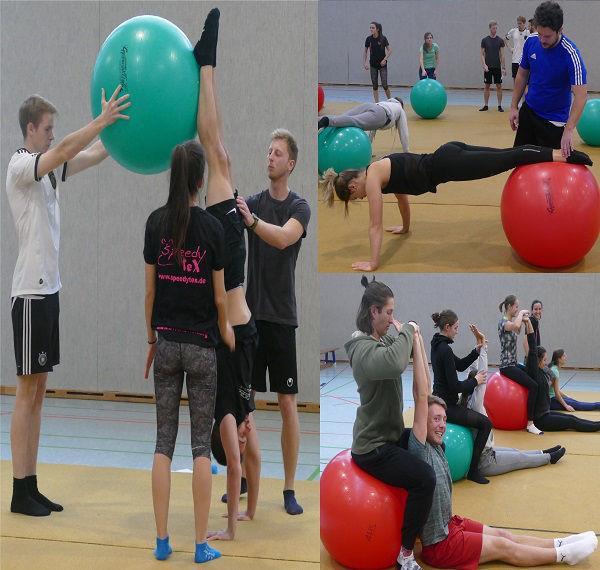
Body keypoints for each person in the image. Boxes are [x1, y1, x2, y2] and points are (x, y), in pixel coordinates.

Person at [7, 87, 130, 517]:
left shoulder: (51, 171)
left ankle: (32, 483)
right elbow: (62, 150)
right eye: (47, 129)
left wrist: (122, 135)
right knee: (26, 393)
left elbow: (91, 154)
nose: (51, 135)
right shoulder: (22, 165)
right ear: (30, 130)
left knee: (40, 392)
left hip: (50, 289)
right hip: (29, 293)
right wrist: (100, 118)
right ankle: (18, 489)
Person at [143, 11, 236, 564]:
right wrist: (224, 332)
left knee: (162, 444)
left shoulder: (156, 223)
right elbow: (221, 298)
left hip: (168, 341)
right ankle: (200, 545)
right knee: (201, 449)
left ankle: (161, 542)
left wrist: (151, 339)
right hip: (203, 345)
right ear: (200, 182)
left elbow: (150, 294)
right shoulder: (214, 227)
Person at [407, 364, 598, 568]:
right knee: (502, 546)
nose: (443, 425)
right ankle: (562, 555)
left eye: (444, 419)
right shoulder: (421, 449)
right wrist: (415, 337)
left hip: (451, 524)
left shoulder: (438, 446)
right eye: (436, 419)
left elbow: (426, 398)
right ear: (422, 421)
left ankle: (557, 543)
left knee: (502, 534)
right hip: (441, 545)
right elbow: (421, 395)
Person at [190, 9, 261, 541]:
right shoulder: (235, 420)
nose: (237, 441)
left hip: (239, 295)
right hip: (236, 289)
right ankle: (205, 62)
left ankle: (206, 63)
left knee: (219, 155)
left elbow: (243, 470)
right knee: (217, 154)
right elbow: (241, 469)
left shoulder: (237, 414)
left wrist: (242, 517)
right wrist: (239, 521)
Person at [319, 142, 591, 272]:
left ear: (353, 187)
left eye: (356, 198)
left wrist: (374, 262)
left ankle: (563, 156)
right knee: (505, 155)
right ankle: (557, 154)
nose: (362, 199)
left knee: (507, 158)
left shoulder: (374, 177)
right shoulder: (379, 169)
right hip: (446, 154)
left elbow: (374, 225)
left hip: (446, 164)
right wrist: (405, 227)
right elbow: (402, 196)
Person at [236, 129, 310, 515]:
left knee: (286, 402)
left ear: (291, 163)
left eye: (277, 153)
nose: (270, 157)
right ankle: (243, 479)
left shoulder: (299, 208)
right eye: (268, 152)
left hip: (282, 318)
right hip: (250, 319)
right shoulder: (251, 203)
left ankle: (289, 488)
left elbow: (282, 239)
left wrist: (251, 224)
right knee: (244, 403)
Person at [345, 277, 434, 570]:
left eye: (394, 313)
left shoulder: (379, 341)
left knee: (433, 444)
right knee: (424, 478)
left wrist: (413, 339)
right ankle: (405, 554)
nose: (392, 318)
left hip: (391, 435)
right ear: (374, 312)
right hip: (373, 447)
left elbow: (405, 357)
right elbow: (395, 363)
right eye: (389, 313)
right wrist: (407, 328)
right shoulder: (362, 350)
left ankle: (420, 529)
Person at [465, 337, 567, 477]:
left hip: (489, 451)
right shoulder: (476, 404)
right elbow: (481, 374)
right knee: (520, 459)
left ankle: (545, 452)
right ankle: (550, 458)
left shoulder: (466, 400)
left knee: (515, 451)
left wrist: (479, 347)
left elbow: (472, 371)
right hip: (486, 462)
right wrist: (483, 351)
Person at [509, 1, 587, 157]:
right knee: (520, 162)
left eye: (547, 36)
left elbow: (581, 95)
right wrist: (513, 106)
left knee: (550, 175)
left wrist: (569, 129)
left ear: (560, 30)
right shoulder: (531, 41)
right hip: (529, 113)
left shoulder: (571, 54)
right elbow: (522, 74)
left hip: (554, 123)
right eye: (540, 34)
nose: (542, 40)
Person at [430, 310, 491, 484]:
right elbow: (455, 386)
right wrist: (476, 381)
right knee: (486, 424)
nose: (457, 331)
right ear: (447, 327)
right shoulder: (444, 349)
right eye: (456, 327)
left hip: (442, 399)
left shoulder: (438, 345)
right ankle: (473, 470)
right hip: (446, 405)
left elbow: (460, 365)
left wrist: (476, 350)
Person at [524, 318, 600, 432]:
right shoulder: (534, 372)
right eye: (544, 360)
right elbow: (531, 343)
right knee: (571, 422)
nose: (546, 362)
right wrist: (528, 323)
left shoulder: (543, 371)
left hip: (546, 413)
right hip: (541, 420)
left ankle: (597, 424)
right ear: (537, 360)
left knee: (572, 417)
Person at [498, 295, 543, 435]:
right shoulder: (503, 322)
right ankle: (530, 423)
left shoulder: (511, 322)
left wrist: (527, 320)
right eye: (516, 307)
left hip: (514, 364)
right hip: (506, 366)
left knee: (534, 373)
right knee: (533, 386)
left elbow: (518, 329)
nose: (517, 309)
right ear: (510, 307)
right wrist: (522, 313)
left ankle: (538, 412)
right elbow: (516, 326)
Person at [318, 97, 409, 151]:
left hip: (371, 105)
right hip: (381, 115)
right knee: (354, 121)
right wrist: (406, 152)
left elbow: (373, 128)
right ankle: (327, 121)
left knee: (344, 116)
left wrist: (368, 146)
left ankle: (319, 120)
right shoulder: (400, 109)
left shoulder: (386, 102)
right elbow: (404, 132)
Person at [480, 21, 506, 112]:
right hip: (488, 67)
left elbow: (502, 55)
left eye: (496, 28)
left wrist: (503, 67)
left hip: (497, 67)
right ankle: (486, 105)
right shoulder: (484, 40)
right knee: (487, 85)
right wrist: (484, 65)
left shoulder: (500, 40)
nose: (495, 29)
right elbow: (482, 54)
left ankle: (499, 106)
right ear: (490, 28)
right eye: (494, 28)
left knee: (499, 85)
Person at [364, 21, 391, 102]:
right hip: (373, 65)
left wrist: (384, 59)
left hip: (382, 65)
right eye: (370, 28)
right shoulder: (369, 39)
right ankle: (377, 103)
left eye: (373, 28)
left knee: (384, 84)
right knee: (375, 85)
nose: (371, 29)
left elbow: (390, 50)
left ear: (377, 29)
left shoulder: (383, 38)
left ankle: (391, 101)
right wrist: (365, 62)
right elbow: (365, 51)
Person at [505, 16, 530, 83]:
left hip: (524, 59)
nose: (519, 25)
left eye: (520, 23)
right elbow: (505, 39)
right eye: (518, 23)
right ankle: (516, 93)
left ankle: (525, 93)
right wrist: (510, 49)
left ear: (524, 23)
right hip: (515, 59)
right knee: (515, 79)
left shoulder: (528, 32)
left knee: (525, 81)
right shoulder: (513, 31)